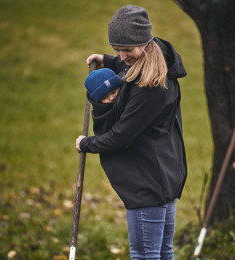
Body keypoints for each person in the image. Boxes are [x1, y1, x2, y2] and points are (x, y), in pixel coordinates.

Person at [76, 5, 187, 259]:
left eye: (127, 50)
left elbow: (121, 135)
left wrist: (87, 143)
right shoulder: (159, 65)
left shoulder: (148, 89)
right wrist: (108, 59)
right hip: (163, 175)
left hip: (146, 181)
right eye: (117, 49)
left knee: (145, 255)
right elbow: (129, 66)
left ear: (145, 43)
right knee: (162, 253)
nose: (122, 55)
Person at [84, 68, 122, 135]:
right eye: (104, 98)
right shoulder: (101, 114)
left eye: (113, 92)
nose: (111, 98)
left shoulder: (127, 98)